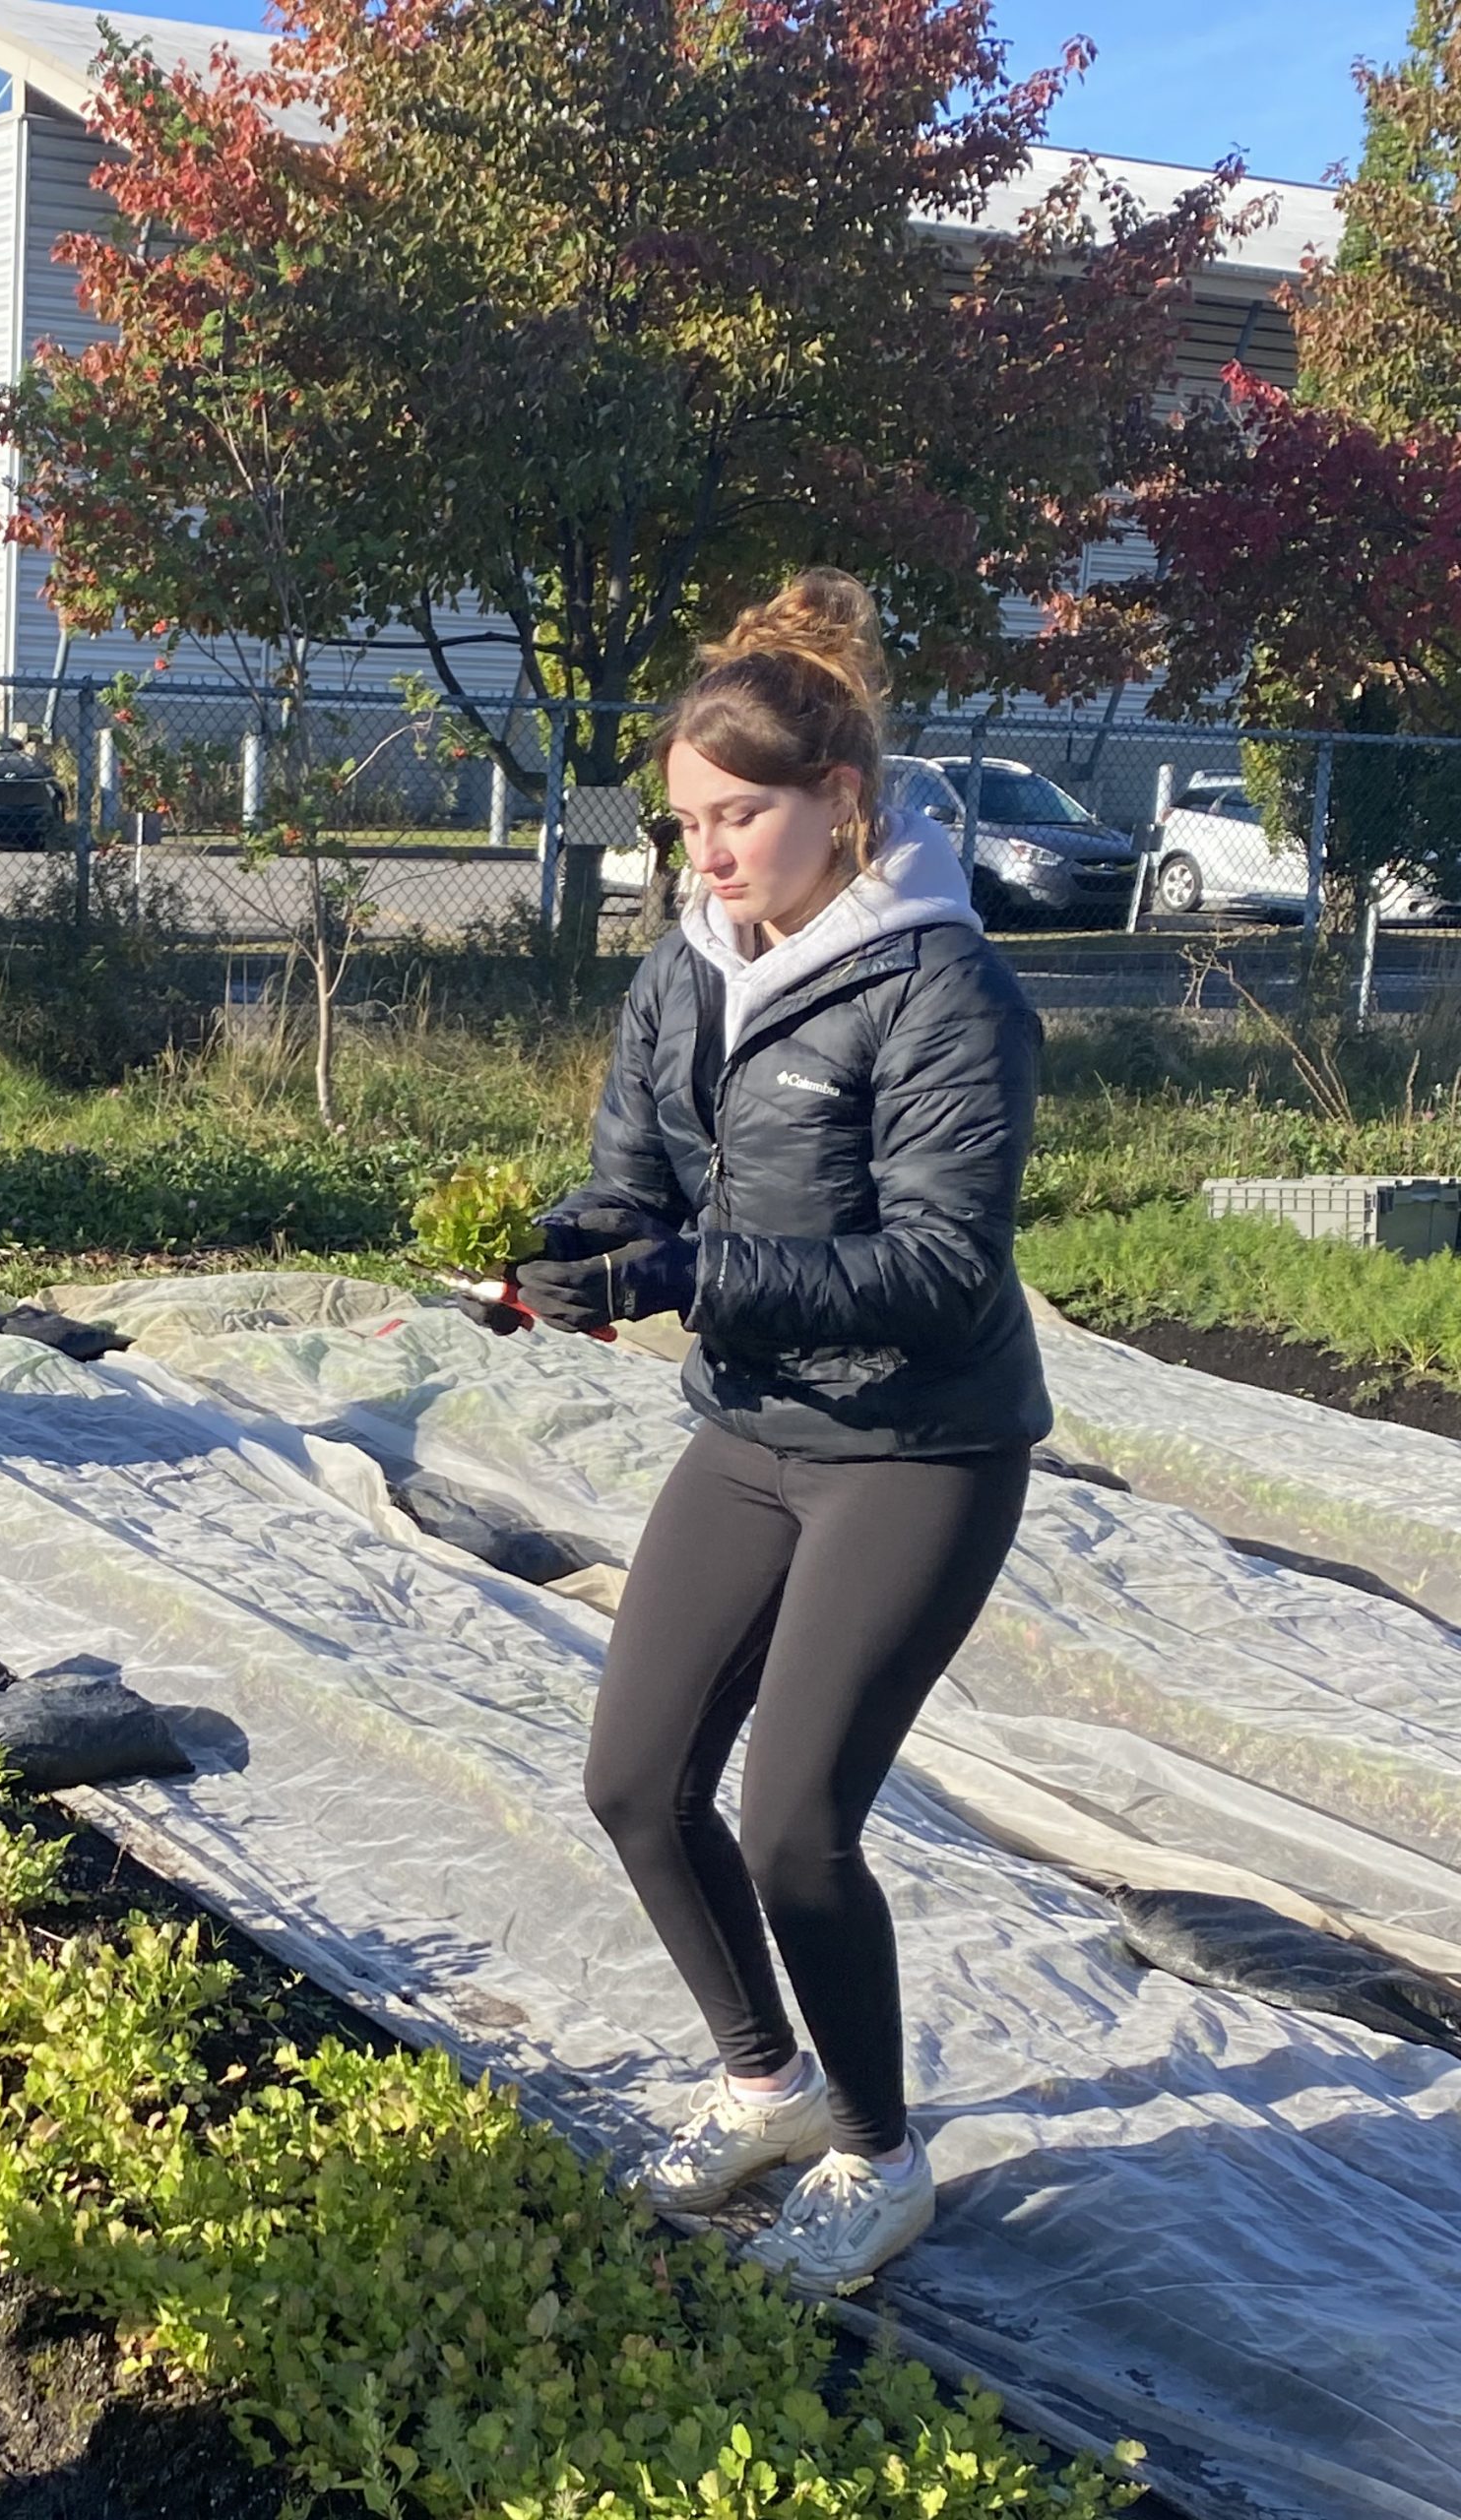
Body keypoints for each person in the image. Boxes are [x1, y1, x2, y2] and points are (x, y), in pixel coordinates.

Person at [507, 569, 1048, 2294]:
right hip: (749, 1422)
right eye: (687, 822)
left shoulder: (944, 990)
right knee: (635, 1781)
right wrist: (572, 1256)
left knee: (798, 1822)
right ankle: (770, 2085)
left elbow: (943, 1267)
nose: (710, 853)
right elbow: (638, 1183)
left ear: (842, 802)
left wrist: (693, 1273)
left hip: (919, 1443)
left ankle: (882, 2155)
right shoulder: (683, 973)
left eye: (739, 816)